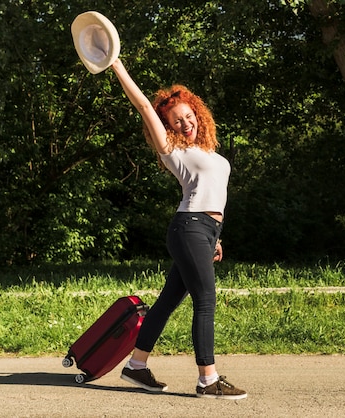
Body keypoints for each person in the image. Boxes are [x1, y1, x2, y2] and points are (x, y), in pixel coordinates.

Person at [109, 58, 247, 400]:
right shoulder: (172, 149)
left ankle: (136, 366)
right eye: (176, 121)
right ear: (167, 125)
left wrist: (216, 237)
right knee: (205, 300)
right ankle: (207, 380)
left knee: (168, 302)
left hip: (204, 232)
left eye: (189, 117)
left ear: (198, 116)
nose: (185, 124)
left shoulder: (212, 153)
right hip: (189, 228)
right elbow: (143, 104)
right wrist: (115, 63)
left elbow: (215, 194)